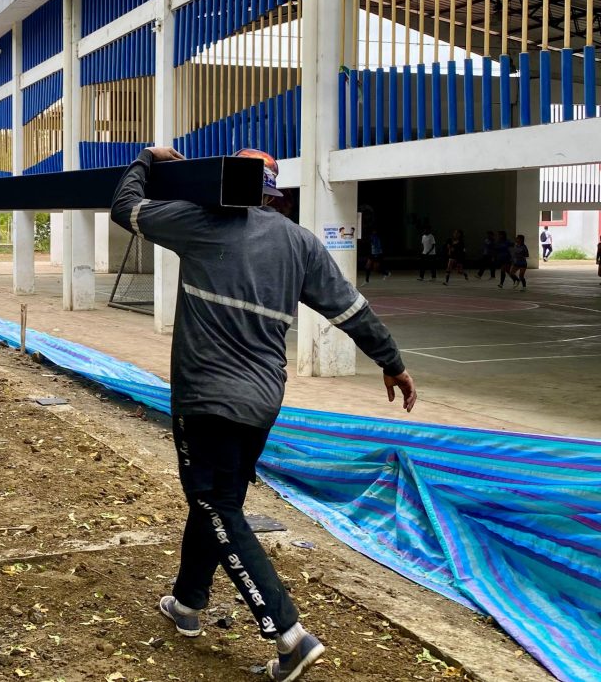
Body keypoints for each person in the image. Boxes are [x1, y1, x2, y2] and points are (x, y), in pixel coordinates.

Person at [111, 146, 416, 682]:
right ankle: (186, 604)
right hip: (261, 404)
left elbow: (126, 208)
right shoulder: (299, 243)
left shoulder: (200, 222)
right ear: (272, 192)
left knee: (215, 506)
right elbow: (351, 309)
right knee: (217, 501)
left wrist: (146, 160)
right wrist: (391, 362)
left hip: (206, 398)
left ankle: (289, 634)